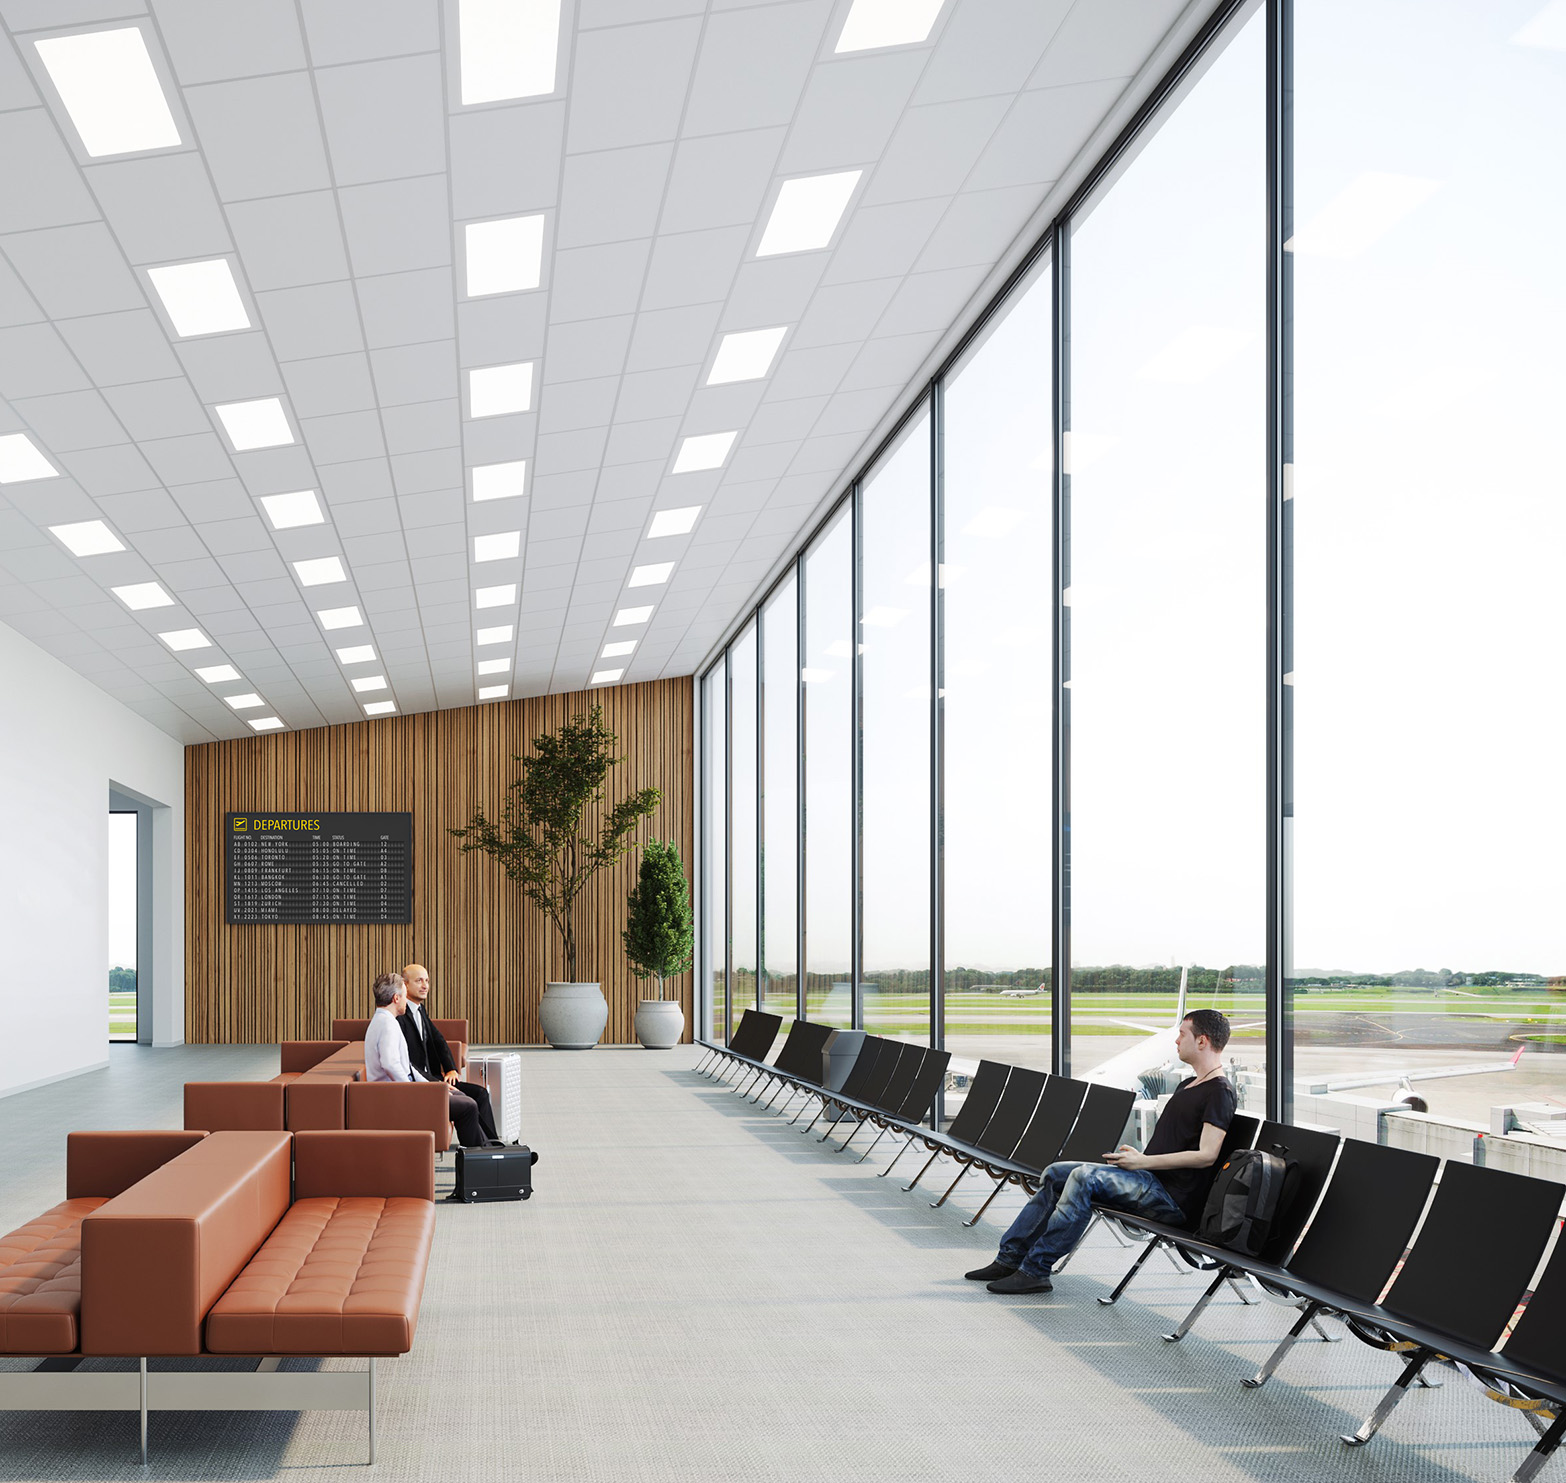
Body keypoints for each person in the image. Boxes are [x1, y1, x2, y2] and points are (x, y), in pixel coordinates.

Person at [966, 1008, 1238, 1294]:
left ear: (1202, 1041)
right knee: (1056, 1172)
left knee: (1084, 1177)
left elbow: (1207, 1154)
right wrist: (1137, 1158)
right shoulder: (1189, 1085)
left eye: (1182, 1035)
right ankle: (1009, 1259)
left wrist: (1144, 1161)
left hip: (1171, 1198)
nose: (1176, 1042)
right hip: (1149, 1180)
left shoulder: (1219, 1091)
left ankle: (1035, 1270)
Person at [363, 971, 499, 1149]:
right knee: (468, 1106)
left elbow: (407, 1066)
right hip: (397, 1097)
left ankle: (488, 1150)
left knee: (463, 1097)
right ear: (396, 998)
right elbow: (390, 1064)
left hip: (401, 1091)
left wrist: (434, 1086)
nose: (406, 1000)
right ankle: (481, 1158)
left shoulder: (384, 1020)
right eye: (404, 996)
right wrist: (419, 1091)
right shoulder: (388, 1025)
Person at [398, 961, 501, 1145]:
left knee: (481, 1094)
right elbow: (406, 1064)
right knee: (469, 1102)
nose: (425, 986)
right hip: (424, 1085)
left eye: (427, 981)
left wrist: (451, 1069)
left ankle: (493, 1146)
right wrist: (436, 1084)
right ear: (405, 985)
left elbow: (438, 1040)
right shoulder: (400, 1017)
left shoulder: (419, 1009)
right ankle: (485, 1151)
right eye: (419, 981)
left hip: (434, 1079)